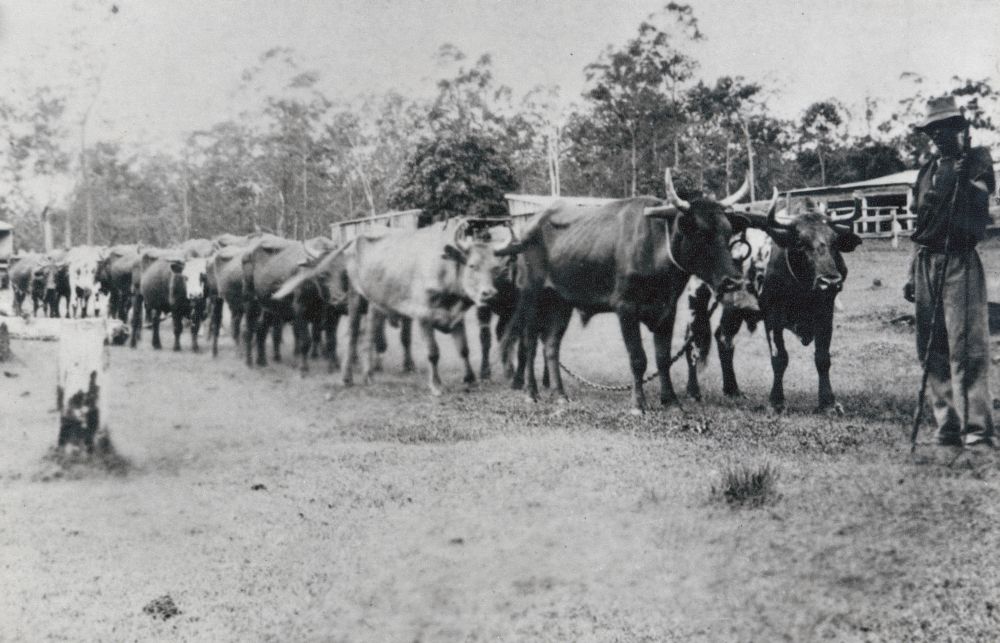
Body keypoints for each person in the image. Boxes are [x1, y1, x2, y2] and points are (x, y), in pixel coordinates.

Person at [904, 95, 996, 448]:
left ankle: (978, 430)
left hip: (960, 260)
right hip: (927, 260)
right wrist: (913, 271)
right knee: (931, 349)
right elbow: (920, 224)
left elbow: (983, 200)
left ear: (960, 129)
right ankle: (947, 425)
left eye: (945, 129)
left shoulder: (976, 159)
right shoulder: (927, 170)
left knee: (968, 347)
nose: (938, 136)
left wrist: (965, 182)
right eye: (932, 131)